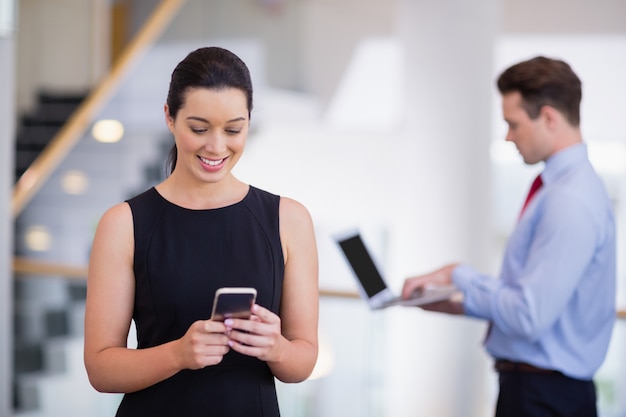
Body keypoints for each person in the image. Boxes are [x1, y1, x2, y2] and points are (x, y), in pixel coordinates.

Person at [84, 46, 319, 417]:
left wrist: (277, 348)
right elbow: (100, 369)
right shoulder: (123, 224)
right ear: (169, 117)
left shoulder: (289, 220)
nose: (216, 146)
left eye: (233, 129)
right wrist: (177, 354)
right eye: (199, 128)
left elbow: (303, 361)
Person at [401, 56, 616, 417]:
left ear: (548, 117)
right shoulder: (558, 189)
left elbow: (529, 316)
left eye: (513, 124)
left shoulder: (570, 200)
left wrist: (457, 275)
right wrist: (460, 301)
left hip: (544, 397)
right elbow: (531, 303)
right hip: (539, 391)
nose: (508, 136)